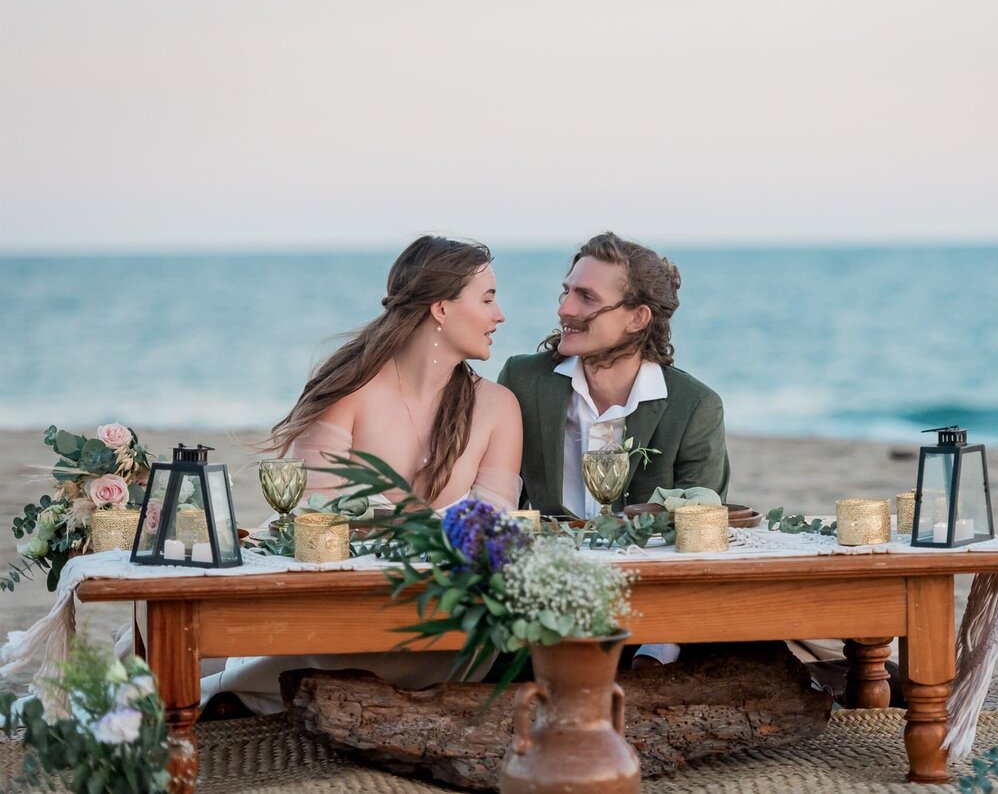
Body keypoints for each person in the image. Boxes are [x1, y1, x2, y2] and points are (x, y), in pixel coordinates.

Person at [199, 235, 523, 716]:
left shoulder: (498, 407)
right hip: (342, 593)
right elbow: (317, 516)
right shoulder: (351, 388)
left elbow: (494, 528)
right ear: (441, 308)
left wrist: (410, 535)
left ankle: (240, 692)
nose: (500, 316)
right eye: (489, 299)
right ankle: (243, 688)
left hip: (443, 607)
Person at [497, 231, 729, 668]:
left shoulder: (695, 407)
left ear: (637, 317)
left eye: (586, 297)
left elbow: (702, 536)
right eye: (566, 292)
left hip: (649, 609)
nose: (565, 309)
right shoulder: (523, 381)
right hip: (539, 597)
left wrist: (658, 643)